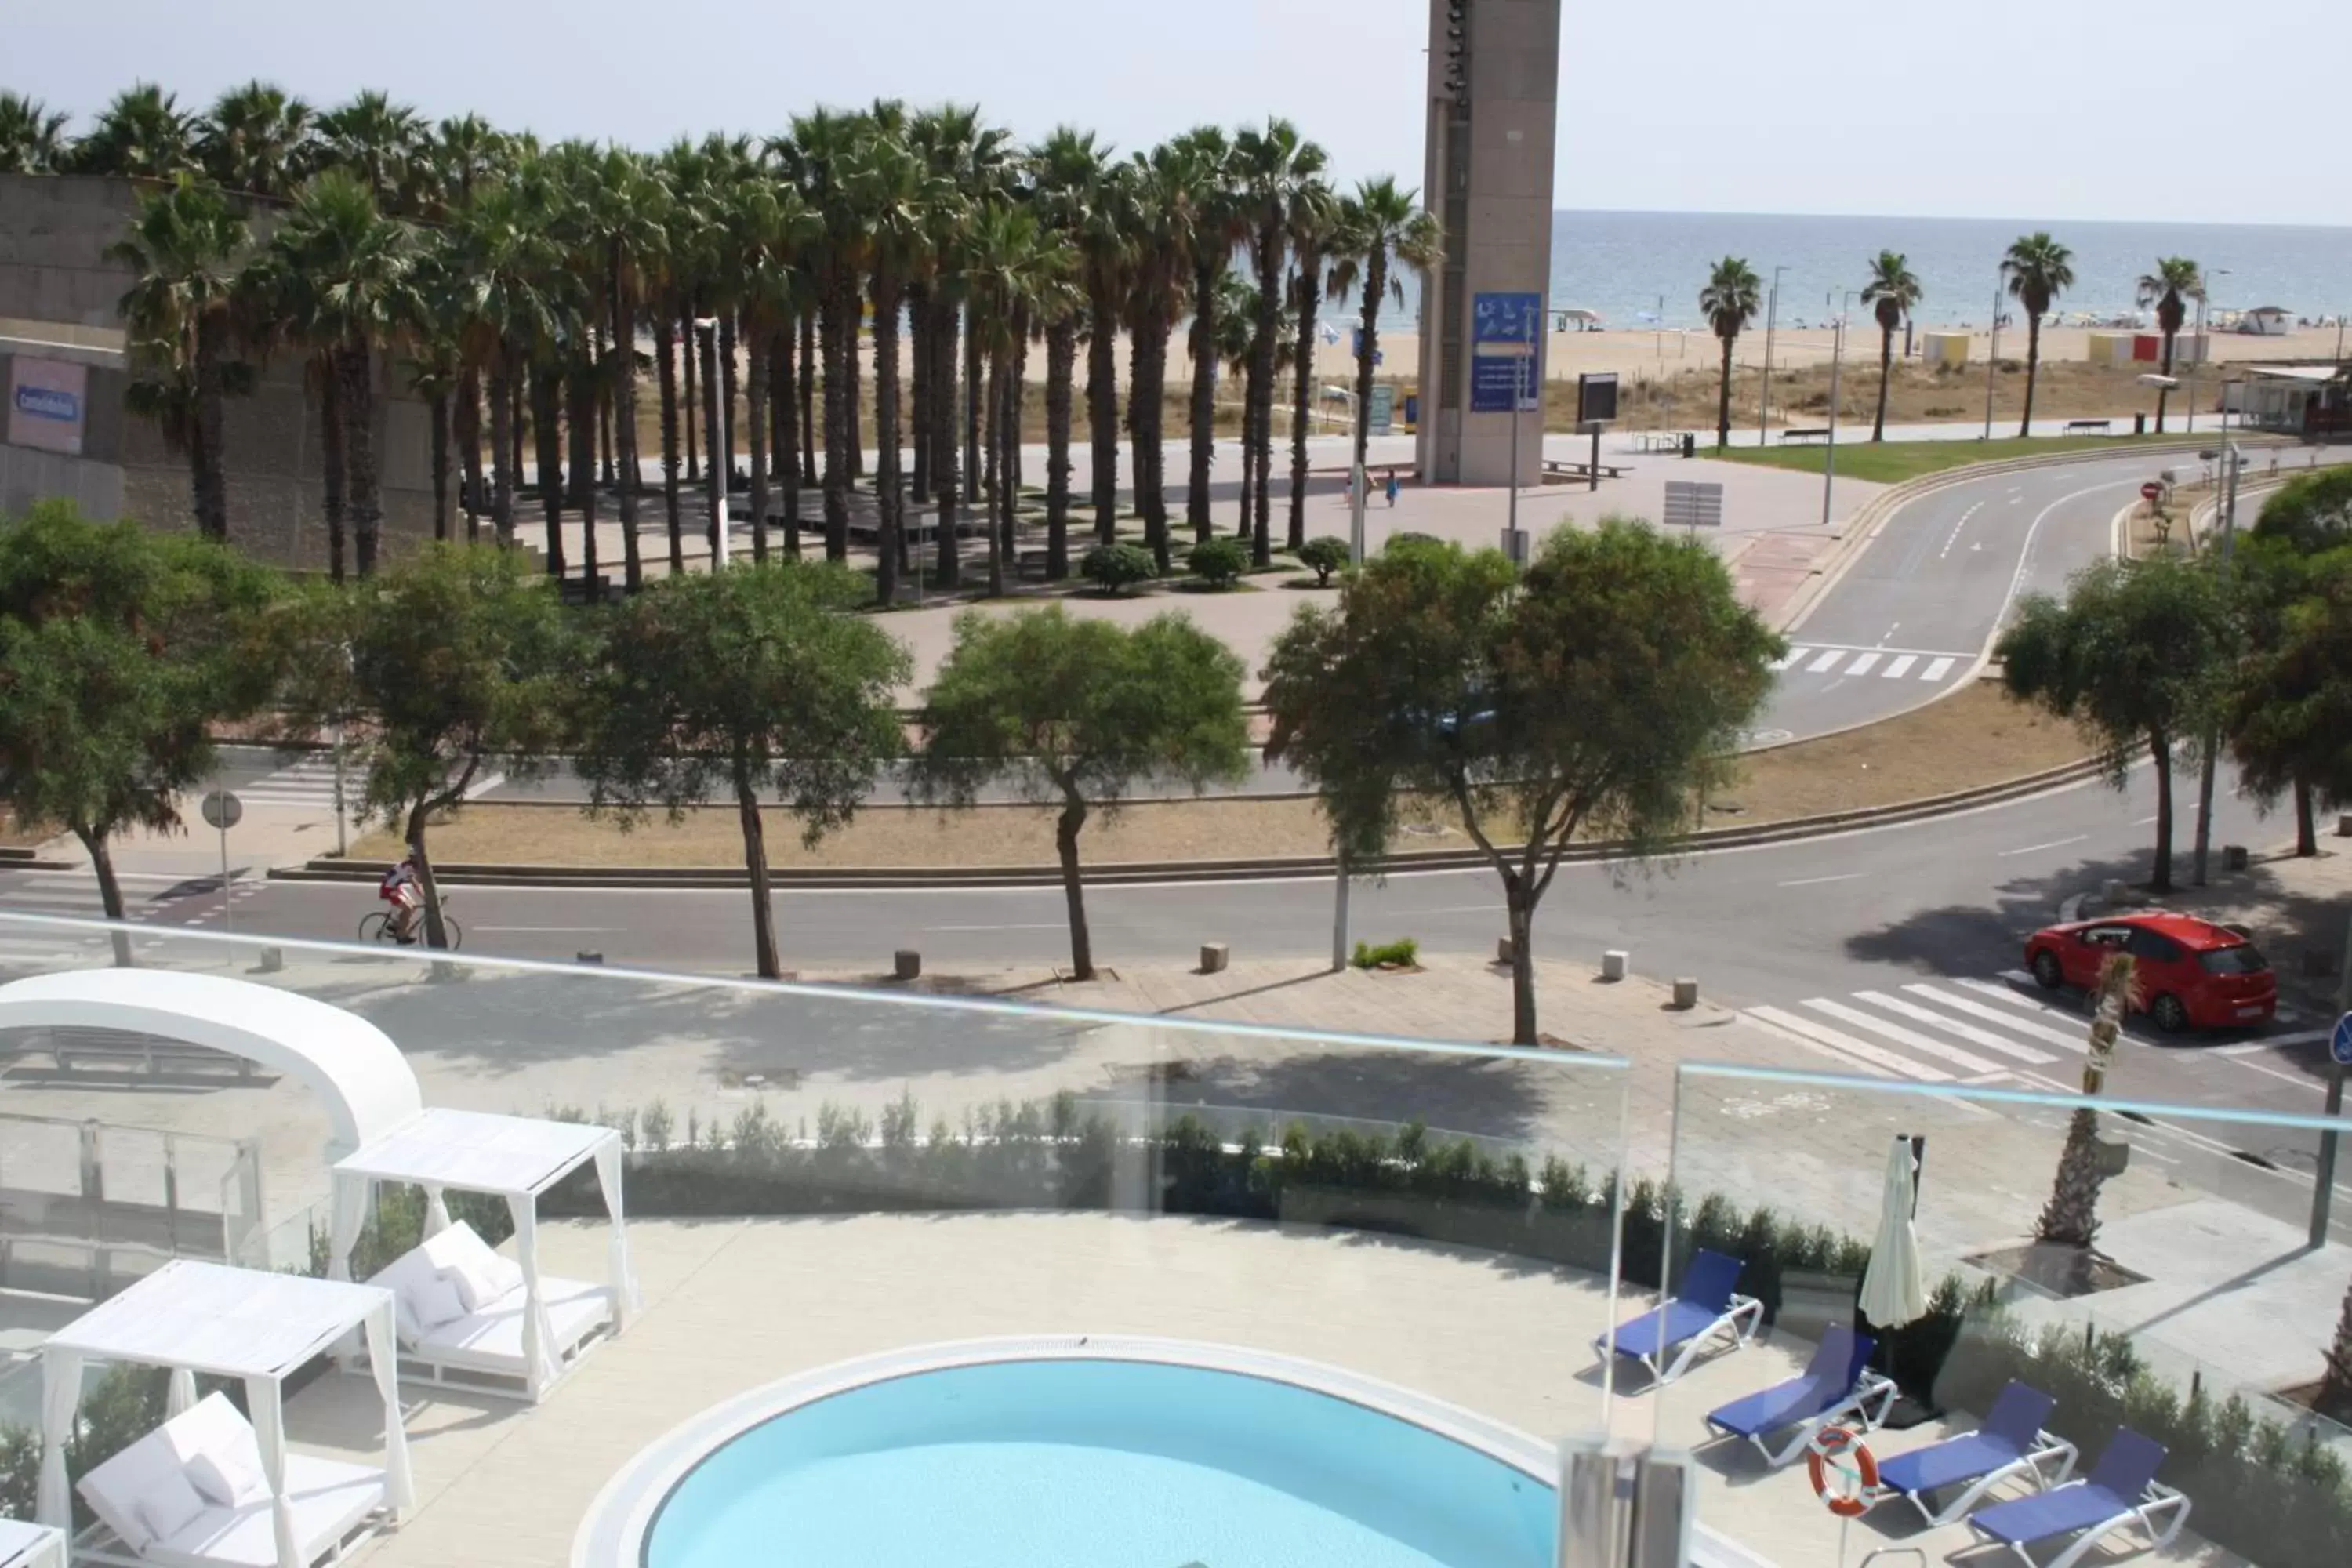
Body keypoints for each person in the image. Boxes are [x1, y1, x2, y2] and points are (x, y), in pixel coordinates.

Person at [379, 852, 423, 944]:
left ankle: (398, 926)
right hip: (388, 889)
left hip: (395, 887)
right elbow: (415, 885)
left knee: (413, 906)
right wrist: (424, 897)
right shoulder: (409, 867)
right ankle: (401, 936)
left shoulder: (410, 865)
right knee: (408, 908)